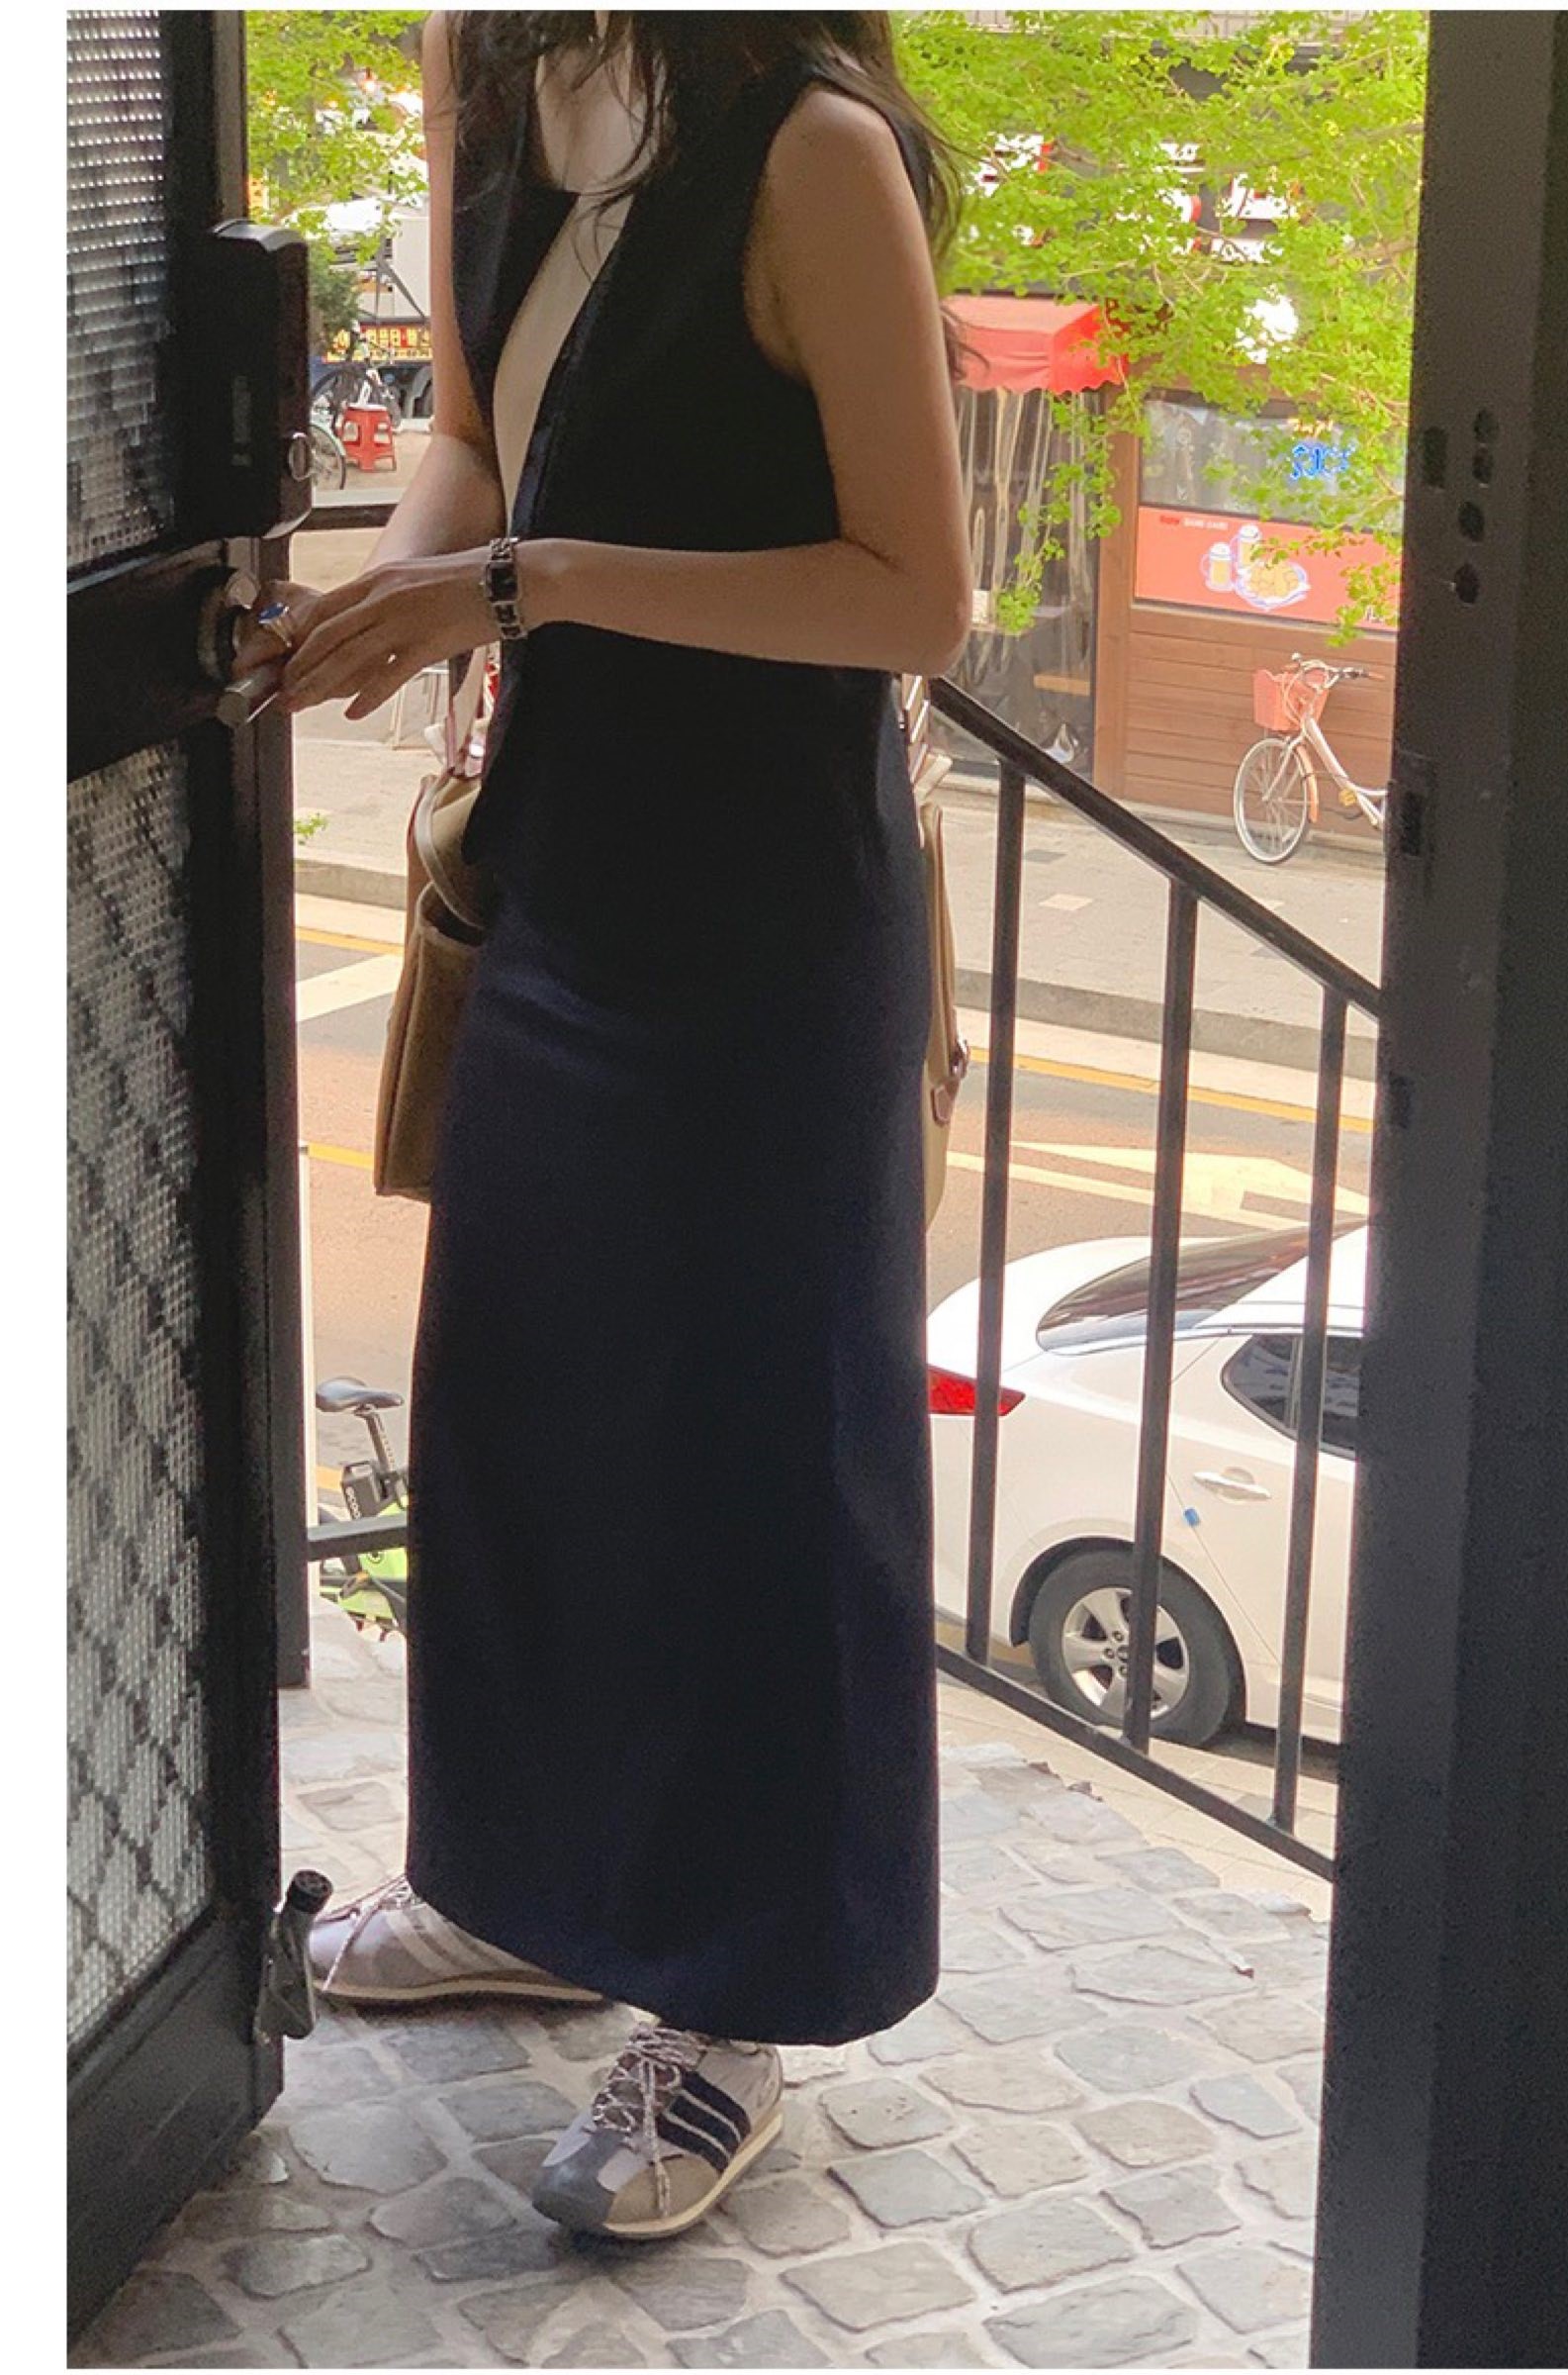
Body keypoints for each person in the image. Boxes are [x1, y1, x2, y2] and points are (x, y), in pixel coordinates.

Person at [236, 10, 973, 2244]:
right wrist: (397, 591)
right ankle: (523, 1890)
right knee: (525, 1400)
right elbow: (472, 434)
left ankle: (732, 2007)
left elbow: (911, 594)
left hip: (769, 907)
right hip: (563, 861)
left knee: (754, 1449)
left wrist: (514, 585)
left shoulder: (806, 144)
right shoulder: (486, 72)